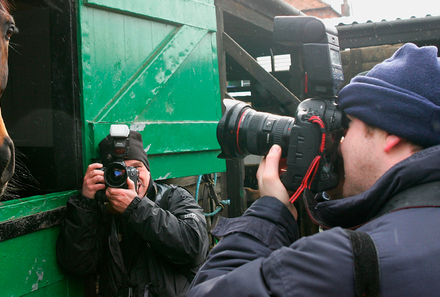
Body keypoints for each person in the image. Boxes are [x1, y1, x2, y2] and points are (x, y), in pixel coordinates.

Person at [188, 43, 440, 296]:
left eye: (348, 126)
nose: (338, 143)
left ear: (391, 134)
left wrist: (267, 216)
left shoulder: (346, 261)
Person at [56, 130, 209, 296]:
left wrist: (136, 208)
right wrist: (85, 202)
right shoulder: (101, 210)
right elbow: (77, 264)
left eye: (136, 168)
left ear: (149, 171)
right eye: (120, 172)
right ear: (106, 176)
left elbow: (194, 248)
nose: (131, 178)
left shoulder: (172, 197)